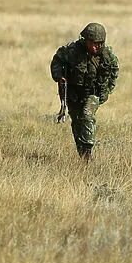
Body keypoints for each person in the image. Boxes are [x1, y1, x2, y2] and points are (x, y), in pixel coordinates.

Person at [50, 22, 119, 160]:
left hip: (94, 94)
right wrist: (59, 76)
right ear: (85, 40)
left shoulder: (107, 55)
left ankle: (88, 148)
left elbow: (114, 71)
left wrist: (107, 90)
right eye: (91, 43)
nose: (94, 47)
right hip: (74, 94)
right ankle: (83, 155)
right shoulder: (72, 51)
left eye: (97, 43)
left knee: (87, 115)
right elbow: (57, 60)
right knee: (77, 122)